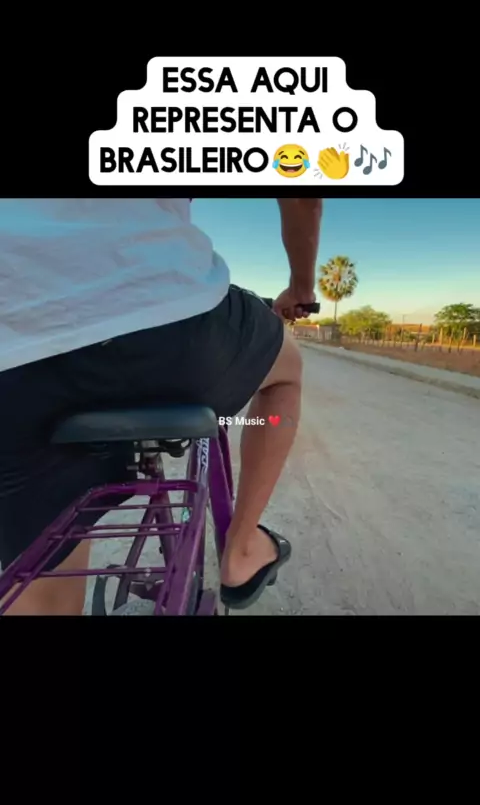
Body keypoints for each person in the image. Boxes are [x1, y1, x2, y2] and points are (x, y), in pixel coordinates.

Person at [0, 197, 322, 615]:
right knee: (287, 368)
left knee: (43, 582)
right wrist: (301, 289)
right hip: (170, 323)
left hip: (16, 350)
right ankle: (242, 550)